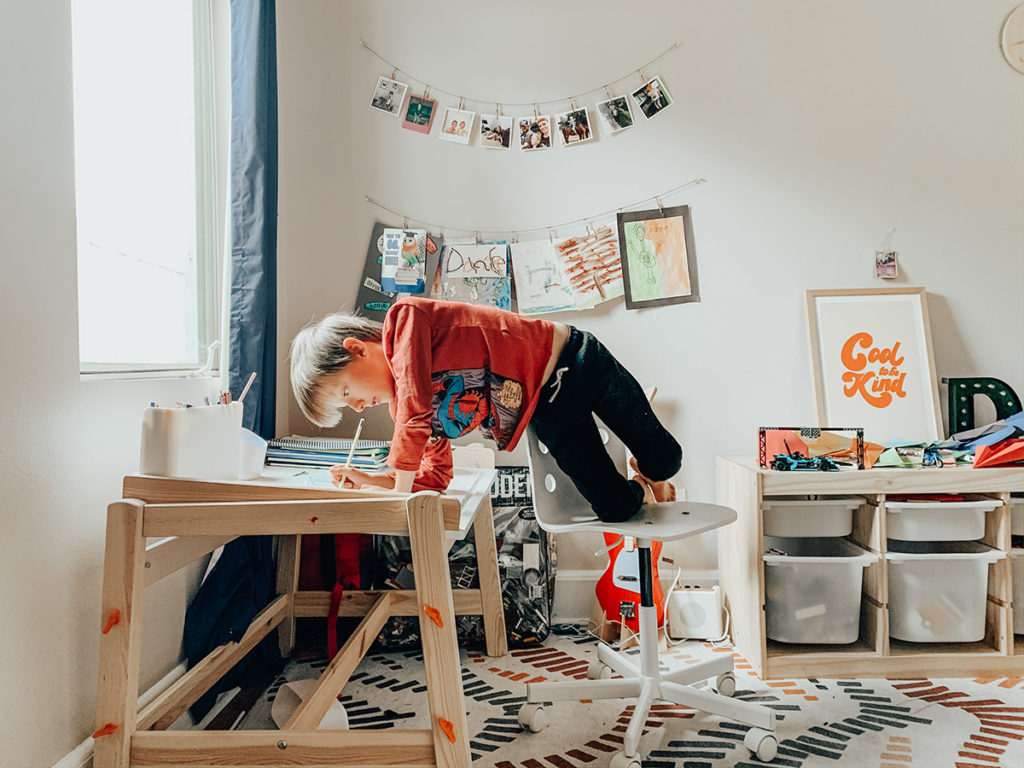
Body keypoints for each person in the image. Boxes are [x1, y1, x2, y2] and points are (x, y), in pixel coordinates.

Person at [290, 297, 680, 522]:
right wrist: (369, 481)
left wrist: (399, 490)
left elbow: (414, 403)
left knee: (666, 459)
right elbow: (435, 477)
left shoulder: (405, 320)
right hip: (547, 409)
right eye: (348, 407)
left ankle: (653, 471)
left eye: (346, 392)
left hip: (575, 359)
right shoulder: (412, 417)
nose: (358, 407)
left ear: (358, 349)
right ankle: (645, 486)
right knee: (614, 509)